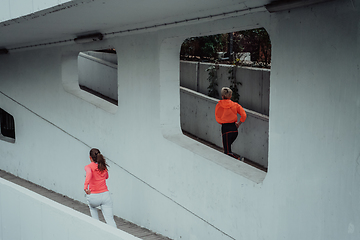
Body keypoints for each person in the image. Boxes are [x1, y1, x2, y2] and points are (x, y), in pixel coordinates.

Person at [84, 148, 116, 227]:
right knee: (110, 219)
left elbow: (89, 174)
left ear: (90, 157)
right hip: (105, 195)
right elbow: (106, 177)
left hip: (94, 196)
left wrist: (85, 187)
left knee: (92, 208)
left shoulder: (88, 167)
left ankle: (97, 227)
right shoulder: (103, 166)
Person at [215, 87, 247, 160]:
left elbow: (217, 116)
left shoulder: (219, 105)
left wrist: (223, 121)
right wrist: (239, 123)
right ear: (230, 96)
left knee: (227, 152)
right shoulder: (235, 105)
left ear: (222, 96)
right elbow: (244, 115)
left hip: (225, 129)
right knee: (227, 149)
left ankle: (239, 159)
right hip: (234, 129)